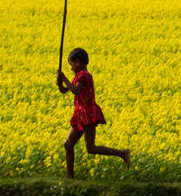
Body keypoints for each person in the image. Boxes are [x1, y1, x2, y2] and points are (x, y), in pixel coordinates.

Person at [56, 48, 130, 178]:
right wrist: (60, 83)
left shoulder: (84, 75)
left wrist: (65, 78)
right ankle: (69, 176)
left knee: (91, 148)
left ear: (78, 62)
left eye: (71, 65)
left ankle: (123, 154)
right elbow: (65, 90)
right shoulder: (78, 76)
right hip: (80, 115)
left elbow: (76, 90)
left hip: (88, 115)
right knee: (68, 145)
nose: (71, 68)